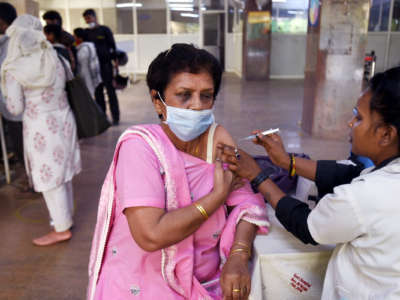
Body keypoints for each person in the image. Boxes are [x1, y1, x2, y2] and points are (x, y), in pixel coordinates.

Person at [87, 44, 269, 300]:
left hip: (205, 280)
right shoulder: (140, 146)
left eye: (206, 96)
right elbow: (151, 235)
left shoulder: (217, 139)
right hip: (140, 281)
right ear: (157, 100)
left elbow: (247, 202)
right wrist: (217, 197)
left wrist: (239, 255)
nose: (197, 106)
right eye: (184, 94)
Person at [218, 67, 400, 299]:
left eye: (359, 117)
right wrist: (286, 161)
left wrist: (257, 176)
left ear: (386, 135)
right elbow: (352, 173)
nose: (350, 123)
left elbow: (307, 225)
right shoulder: (383, 176)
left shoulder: (364, 197)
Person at [1, 15, 82, 246]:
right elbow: (69, 79)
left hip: (41, 128)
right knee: (63, 174)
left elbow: (15, 109)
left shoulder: (15, 69)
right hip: (65, 121)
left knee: (49, 179)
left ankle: (61, 228)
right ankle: (64, 220)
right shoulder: (55, 58)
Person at [83, 9, 120, 125]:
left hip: (106, 66)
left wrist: (116, 64)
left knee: (111, 92)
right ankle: (102, 118)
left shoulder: (104, 30)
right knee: (98, 93)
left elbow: (113, 47)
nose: (88, 21)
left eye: (89, 18)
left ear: (95, 17)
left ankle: (115, 118)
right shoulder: (86, 33)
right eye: (86, 19)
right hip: (94, 68)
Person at [0, 3, 24, 165]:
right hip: (13, 104)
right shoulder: (9, 40)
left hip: (17, 104)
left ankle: (30, 177)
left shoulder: (15, 41)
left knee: (21, 141)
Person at [73, 28, 102, 97]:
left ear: (80, 38)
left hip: (86, 76)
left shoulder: (84, 49)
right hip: (91, 75)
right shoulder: (90, 46)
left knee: (87, 96)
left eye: (74, 36)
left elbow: (81, 63)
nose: (74, 38)